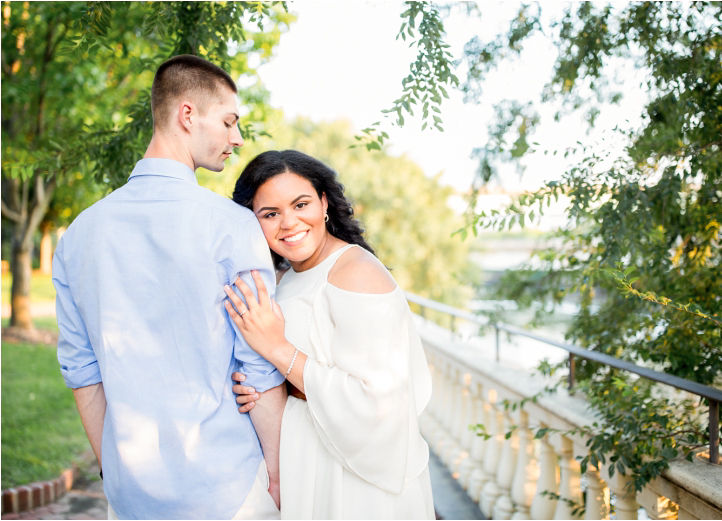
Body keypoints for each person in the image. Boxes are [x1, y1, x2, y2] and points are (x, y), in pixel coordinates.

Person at [53, 55, 286, 519]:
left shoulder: (78, 234)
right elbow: (257, 370)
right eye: (228, 121)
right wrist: (279, 475)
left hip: (129, 496)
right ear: (186, 114)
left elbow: (83, 373)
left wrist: (115, 473)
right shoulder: (234, 228)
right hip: (231, 489)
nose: (236, 139)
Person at [223, 150, 436, 519]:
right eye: (270, 214)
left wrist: (277, 352)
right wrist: (259, 387)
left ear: (323, 203)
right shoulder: (286, 278)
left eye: (300, 204)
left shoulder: (356, 273)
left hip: (356, 481)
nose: (289, 222)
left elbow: (378, 402)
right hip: (309, 457)